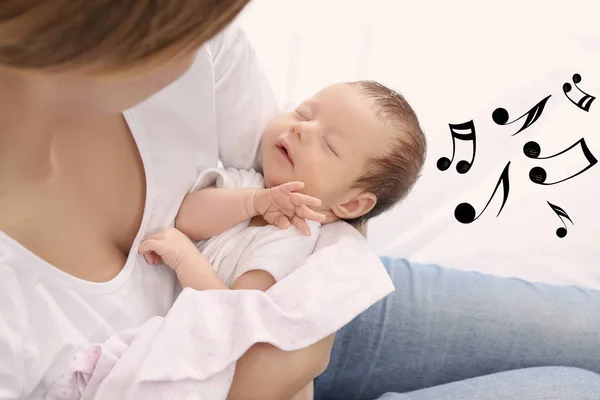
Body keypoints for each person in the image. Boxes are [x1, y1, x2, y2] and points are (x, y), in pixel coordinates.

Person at [0, 1, 599, 399]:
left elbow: (328, 187)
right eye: (305, 113)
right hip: (202, 372)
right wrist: (271, 371)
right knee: (572, 389)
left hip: (325, 306)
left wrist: (312, 243)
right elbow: (237, 309)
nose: (296, 128)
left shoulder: (194, 48)